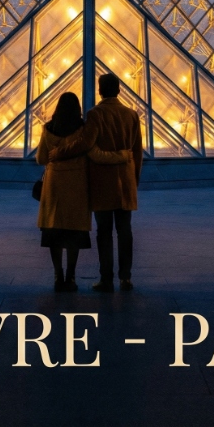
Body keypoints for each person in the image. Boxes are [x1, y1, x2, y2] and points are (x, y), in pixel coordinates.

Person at [48, 71, 143, 292]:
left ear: (100, 91)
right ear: (119, 90)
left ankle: (106, 279)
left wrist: (59, 152)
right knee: (125, 232)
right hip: (126, 182)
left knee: (104, 233)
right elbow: (137, 153)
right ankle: (126, 278)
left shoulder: (95, 115)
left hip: (103, 183)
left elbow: (85, 143)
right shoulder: (132, 115)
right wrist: (134, 180)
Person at [36, 91, 129, 292]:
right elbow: (93, 154)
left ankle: (58, 276)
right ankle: (71, 277)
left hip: (54, 186)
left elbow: (41, 158)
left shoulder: (48, 129)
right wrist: (121, 156)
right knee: (73, 233)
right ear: (77, 109)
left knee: (54, 233)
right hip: (76, 185)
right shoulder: (83, 130)